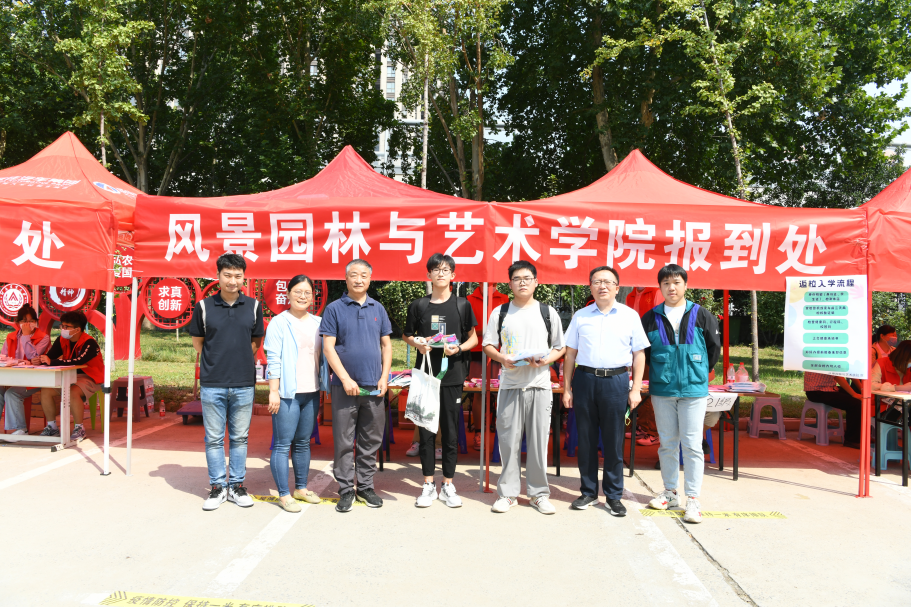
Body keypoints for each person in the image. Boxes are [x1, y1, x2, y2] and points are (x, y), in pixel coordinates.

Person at [563, 266, 647, 517]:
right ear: (590, 287)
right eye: (597, 282)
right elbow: (570, 355)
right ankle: (588, 492)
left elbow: (639, 354)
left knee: (613, 440)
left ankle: (613, 495)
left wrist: (635, 388)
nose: (603, 286)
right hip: (585, 379)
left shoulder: (630, 316)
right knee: (586, 439)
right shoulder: (581, 316)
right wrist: (566, 388)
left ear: (617, 288)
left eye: (608, 282)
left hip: (616, 381)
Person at [482, 260, 565, 515]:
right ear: (510, 284)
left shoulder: (547, 312)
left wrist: (546, 360)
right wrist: (502, 358)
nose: (522, 283)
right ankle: (508, 494)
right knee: (508, 442)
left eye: (527, 278)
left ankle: (539, 494)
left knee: (539, 443)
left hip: (539, 385)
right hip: (510, 384)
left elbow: (560, 347)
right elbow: (488, 345)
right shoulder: (500, 312)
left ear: (536, 282)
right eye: (517, 279)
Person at [640, 264, 720, 524]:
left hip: (693, 390)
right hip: (662, 390)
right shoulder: (650, 317)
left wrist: (695, 373)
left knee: (692, 444)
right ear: (660, 287)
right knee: (667, 443)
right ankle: (670, 492)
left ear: (685, 285)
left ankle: (693, 499)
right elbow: (645, 353)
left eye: (676, 282)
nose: (671, 288)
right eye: (666, 283)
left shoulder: (702, 315)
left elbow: (713, 350)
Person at [189, 253, 265, 511]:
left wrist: (238, 359)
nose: (233, 281)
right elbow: (199, 343)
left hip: (244, 383)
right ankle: (217, 487)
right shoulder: (203, 307)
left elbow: (255, 342)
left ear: (244, 278)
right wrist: (218, 361)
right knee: (213, 438)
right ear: (218, 276)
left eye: (238, 276)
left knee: (240, 438)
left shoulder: (253, 306)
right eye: (228, 275)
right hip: (213, 383)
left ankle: (237, 486)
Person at [402, 253, 478, 508]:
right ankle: (427, 484)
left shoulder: (462, 305)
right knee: (425, 431)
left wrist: (459, 349)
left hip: (452, 377)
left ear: (453, 275)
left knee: (450, 431)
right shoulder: (419, 305)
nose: (441, 273)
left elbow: (473, 338)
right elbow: (406, 335)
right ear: (429, 275)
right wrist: (418, 343)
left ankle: (447, 484)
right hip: (425, 377)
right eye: (436, 269)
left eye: (446, 270)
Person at [321, 259, 393, 513]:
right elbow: (328, 347)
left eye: (363, 275)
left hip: (374, 386)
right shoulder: (334, 309)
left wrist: (384, 377)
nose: (359, 279)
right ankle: (345, 489)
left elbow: (386, 345)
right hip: (345, 387)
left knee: (371, 439)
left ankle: (365, 486)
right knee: (343, 439)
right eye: (354, 274)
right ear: (346, 278)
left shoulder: (378, 308)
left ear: (370, 279)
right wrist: (345, 378)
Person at [264, 275, 329, 513]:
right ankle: (283, 494)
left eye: (307, 293)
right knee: (283, 444)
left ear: (313, 297)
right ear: (288, 294)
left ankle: (301, 488)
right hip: (287, 394)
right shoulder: (279, 323)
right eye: (298, 292)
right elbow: (273, 359)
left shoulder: (319, 323)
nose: (303, 296)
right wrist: (273, 391)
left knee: (303, 442)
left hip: (311, 392)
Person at [36, 310, 104, 441]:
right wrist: (40, 360)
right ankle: (52, 427)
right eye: (62, 325)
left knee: (72, 391)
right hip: (68, 376)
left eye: (66, 326)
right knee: (46, 390)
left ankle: (79, 428)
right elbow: (50, 356)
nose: (63, 329)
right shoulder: (62, 339)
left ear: (77, 329)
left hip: (91, 377)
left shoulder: (89, 343)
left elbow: (79, 361)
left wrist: (52, 362)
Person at [0, 305, 50, 435]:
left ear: (36, 322)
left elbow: (33, 357)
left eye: (31, 321)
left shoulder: (43, 337)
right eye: (24, 321)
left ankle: (20, 429)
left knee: (12, 393)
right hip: (13, 377)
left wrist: (26, 336)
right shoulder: (11, 337)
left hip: (34, 379)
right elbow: (3, 358)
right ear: (18, 322)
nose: (27, 324)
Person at [803, 371, 862, 448]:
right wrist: (854, 394)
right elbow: (837, 376)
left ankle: (862, 436)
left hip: (830, 388)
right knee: (856, 404)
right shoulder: (830, 362)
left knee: (862, 398)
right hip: (816, 391)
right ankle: (852, 440)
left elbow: (851, 372)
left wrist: (863, 390)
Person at [870, 340, 911, 422]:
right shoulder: (882, 363)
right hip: (882, 406)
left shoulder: (908, 368)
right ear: (904, 356)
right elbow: (871, 385)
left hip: (904, 404)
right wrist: (897, 388)